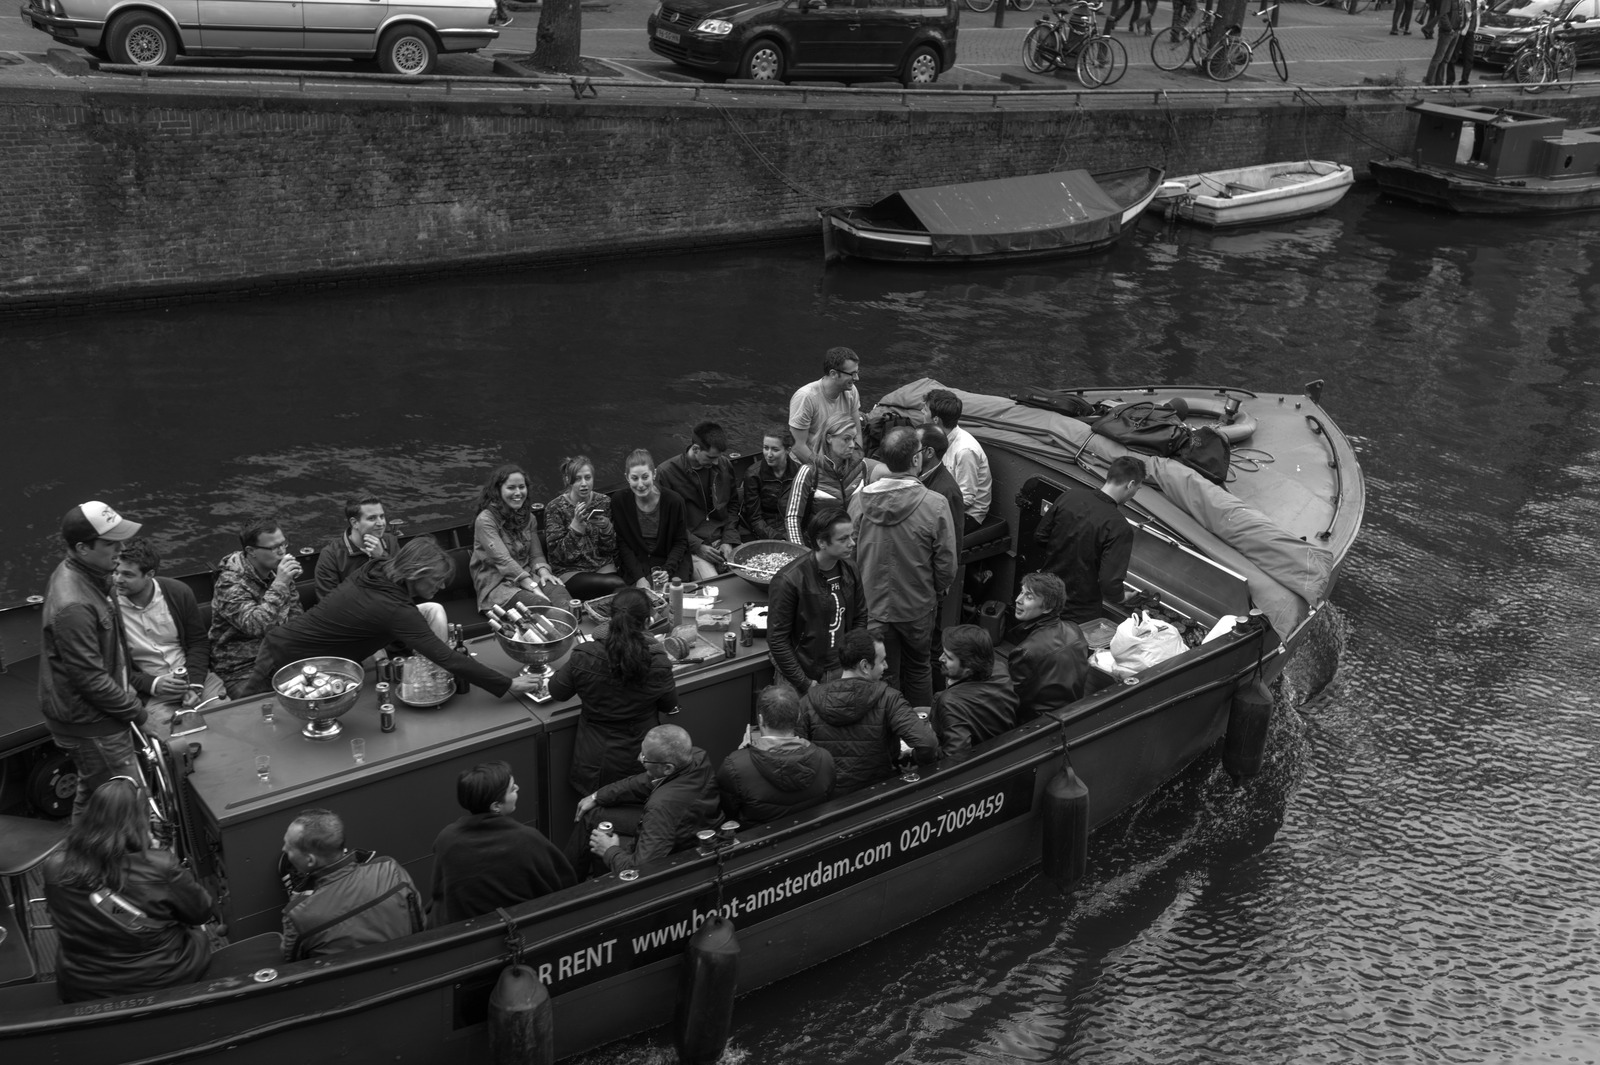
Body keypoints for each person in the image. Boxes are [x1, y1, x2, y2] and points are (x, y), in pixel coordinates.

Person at [240, 538, 542, 699]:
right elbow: (446, 658)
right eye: (436, 582)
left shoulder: (376, 569)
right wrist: (507, 684)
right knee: (247, 719)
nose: (438, 589)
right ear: (417, 574)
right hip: (289, 660)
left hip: (288, 649)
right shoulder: (395, 609)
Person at [43, 776, 215, 1002]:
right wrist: (156, 855)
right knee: (199, 934)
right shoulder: (160, 866)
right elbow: (201, 912)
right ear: (141, 820)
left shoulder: (54, 867)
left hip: (82, 984)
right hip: (162, 977)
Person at [40, 501, 149, 822]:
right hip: (92, 726)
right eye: (111, 543)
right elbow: (91, 680)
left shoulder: (93, 575)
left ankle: (78, 864)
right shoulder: (73, 604)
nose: (121, 548)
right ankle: (141, 867)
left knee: (92, 796)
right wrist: (140, 716)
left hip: (91, 720)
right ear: (82, 549)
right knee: (130, 806)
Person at [849, 427, 957, 708]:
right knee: (919, 668)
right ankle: (922, 727)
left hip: (874, 607)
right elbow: (946, 564)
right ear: (916, 460)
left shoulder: (861, 501)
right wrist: (935, 590)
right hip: (917, 606)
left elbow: (849, 553)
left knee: (884, 672)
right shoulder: (935, 504)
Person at [548, 587, 679, 798]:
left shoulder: (584, 655)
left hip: (594, 762)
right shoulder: (658, 663)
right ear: (647, 622)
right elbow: (668, 704)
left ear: (610, 618)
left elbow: (557, 691)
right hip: (641, 764)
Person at [427, 761, 577, 927]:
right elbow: (564, 888)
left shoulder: (446, 839)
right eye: (512, 789)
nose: (518, 788)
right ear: (496, 806)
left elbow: (439, 895)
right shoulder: (528, 840)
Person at [798, 629, 938, 793]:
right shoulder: (889, 698)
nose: (886, 666)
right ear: (865, 665)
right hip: (878, 796)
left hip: (826, 800)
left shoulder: (808, 702)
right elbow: (928, 744)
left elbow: (798, 756)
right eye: (882, 661)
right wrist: (913, 760)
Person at [572, 724, 720, 876]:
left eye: (645, 758)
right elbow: (641, 782)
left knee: (599, 839)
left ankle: (566, 891)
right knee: (593, 814)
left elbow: (641, 872)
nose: (639, 759)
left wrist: (610, 850)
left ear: (667, 768)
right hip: (684, 825)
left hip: (677, 851)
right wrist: (597, 796)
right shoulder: (696, 757)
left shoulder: (660, 808)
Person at [280, 808, 424, 962]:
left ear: (310, 860)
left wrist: (298, 904)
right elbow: (419, 924)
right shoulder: (390, 869)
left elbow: (292, 964)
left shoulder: (297, 915)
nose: (284, 849)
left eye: (289, 847)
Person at [114, 538, 216, 734]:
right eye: (116, 571)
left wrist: (194, 684)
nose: (118, 579)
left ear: (149, 574)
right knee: (172, 742)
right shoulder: (108, 607)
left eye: (127, 574)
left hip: (196, 677)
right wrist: (152, 684)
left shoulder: (178, 593)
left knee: (229, 720)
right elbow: (116, 667)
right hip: (151, 692)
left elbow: (198, 643)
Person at [1035, 456, 1146, 625]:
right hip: (1078, 610)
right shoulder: (1119, 526)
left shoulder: (1069, 496)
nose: (1134, 493)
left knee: (1036, 638)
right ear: (1130, 484)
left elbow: (1040, 536)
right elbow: (1109, 583)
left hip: (1045, 592)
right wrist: (1123, 597)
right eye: (1137, 488)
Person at [766, 508, 866, 695]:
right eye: (843, 539)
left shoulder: (850, 569)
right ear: (821, 542)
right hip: (802, 675)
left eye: (852, 536)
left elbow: (860, 616)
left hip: (840, 670)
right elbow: (777, 639)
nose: (852, 543)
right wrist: (803, 683)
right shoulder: (789, 580)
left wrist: (851, 663)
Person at [209, 517, 305, 699]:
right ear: (251, 551)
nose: (282, 551)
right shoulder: (229, 583)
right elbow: (255, 626)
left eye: (284, 544)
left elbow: (295, 615)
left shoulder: (278, 571)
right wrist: (280, 584)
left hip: (279, 654)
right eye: (274, 548)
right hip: (241, 667)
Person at [717, 685, 835, 824]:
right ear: (798, 716)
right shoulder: (825, 759)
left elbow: (728, 815)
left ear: (760, 720)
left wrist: (741, 757)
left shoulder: (735, 767)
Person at [470, 463, 572, 618]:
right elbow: (503, 560)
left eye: (521, 487)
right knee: (541, 606)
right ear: (498, 490)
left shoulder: (529, 518)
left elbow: (535, 555)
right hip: (498, 585)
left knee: (563, 599)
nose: (518, 492)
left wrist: (544, 572)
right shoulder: (485, 521)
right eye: (511, 488)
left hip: (528, 575)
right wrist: (533, 588)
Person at [654, 421, 743, 581]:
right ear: (695, 449)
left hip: (724, 539)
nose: (716, 462)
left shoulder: (724, 464)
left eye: (718, 457)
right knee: (716, 587)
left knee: (750, 576)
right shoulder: (666, 473)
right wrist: (697, 546)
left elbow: (732, 506)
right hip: (692, 547)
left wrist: (728, 540)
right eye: (711, 457)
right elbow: (666, 522)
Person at [543, 455, 628, 601]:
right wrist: (576, 527)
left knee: (618, 589)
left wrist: (606, 529)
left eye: (587, 478)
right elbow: (560, 557)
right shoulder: (555, 508)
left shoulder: (604, 502)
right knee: (617, 586)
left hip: (602, 567)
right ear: (567, 480)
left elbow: (609, 550)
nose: (584, 484)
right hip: (571, 572)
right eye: (577, 479)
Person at [931, 625, 1019, 763]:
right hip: (1001, 751)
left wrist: (920, 756)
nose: (940, 658)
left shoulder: (949, 702)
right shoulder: (999, 668)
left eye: (948, 657)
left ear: (968, 668)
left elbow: (955, 758)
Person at [1008, 572, 1089, 722]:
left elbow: (1011, 698)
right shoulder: (1075, 630)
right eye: (1021, 592)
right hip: (1071, 711)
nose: (1018, 600)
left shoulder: (1027, 651)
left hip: (1036, 722)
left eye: (1029, 597)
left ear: (1047, 608)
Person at [783, 411, 870, 546]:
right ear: (829, 438)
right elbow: (793, 518)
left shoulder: (861, 467)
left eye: (853, 439)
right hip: (820, 549)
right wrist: (803, 556)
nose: (852, 445)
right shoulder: (809, 472)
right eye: (846, 439)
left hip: (853, 546)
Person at [610, 449, 693, 587]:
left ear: (654, 474)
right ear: (627, 477)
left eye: (645, 477)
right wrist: (639, 578)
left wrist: (667, 570)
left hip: (670, 560)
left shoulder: (674, 501)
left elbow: (680, 541)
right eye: (635, 478)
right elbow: (623, 543)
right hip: (637, 563)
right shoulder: (619, 501)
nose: (640, 484)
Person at [921, 388, 992, 530]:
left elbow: (966, 499)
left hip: (967, 514)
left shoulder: (965, 451)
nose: (922, 411)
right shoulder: (937, 437)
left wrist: (928, 507)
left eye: (925, 409)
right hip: (941, 500)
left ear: (935, 419)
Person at [313, 495, 400, 602]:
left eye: (382, 516)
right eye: (372, 518)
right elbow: (327, 603)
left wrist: (381, 557)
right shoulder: (331, 555)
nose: (381, 523)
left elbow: (402, 586)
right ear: (355, 523)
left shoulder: (391, 542)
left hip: (391, 608)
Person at [788, 346, 862, 465]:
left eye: (857, 373)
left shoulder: (851, 391)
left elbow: (857, 434)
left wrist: (855, 463)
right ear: (833, 374)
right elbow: (797, 446)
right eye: (852, 374)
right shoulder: (806, 397)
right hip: (810, 464)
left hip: (839, 459)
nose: (856, 378)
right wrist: (825, 471)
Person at [739, 427, 798, 542]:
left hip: (791, 525)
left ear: (788, 450)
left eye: (775, 449)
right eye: (766, 448)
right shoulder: (753, 474)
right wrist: (778, 537)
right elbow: (755, 518)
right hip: (765, 528)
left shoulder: (799, 472)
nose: (768, 454)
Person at [917, 425, 965, 558]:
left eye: (915, 447)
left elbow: (952, 544)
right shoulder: (916, 475)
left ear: (929, 452)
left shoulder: (948, 491)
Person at [1425, 0, 1466, 84]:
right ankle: (1430, 82)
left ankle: (1439, 82)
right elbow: (1443, 14)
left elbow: (1462, 12)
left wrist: (1460, 27)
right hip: (1447, 32)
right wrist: (1449, 28)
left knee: (1446, 59)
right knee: (1438, 58)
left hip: (1456, 31)